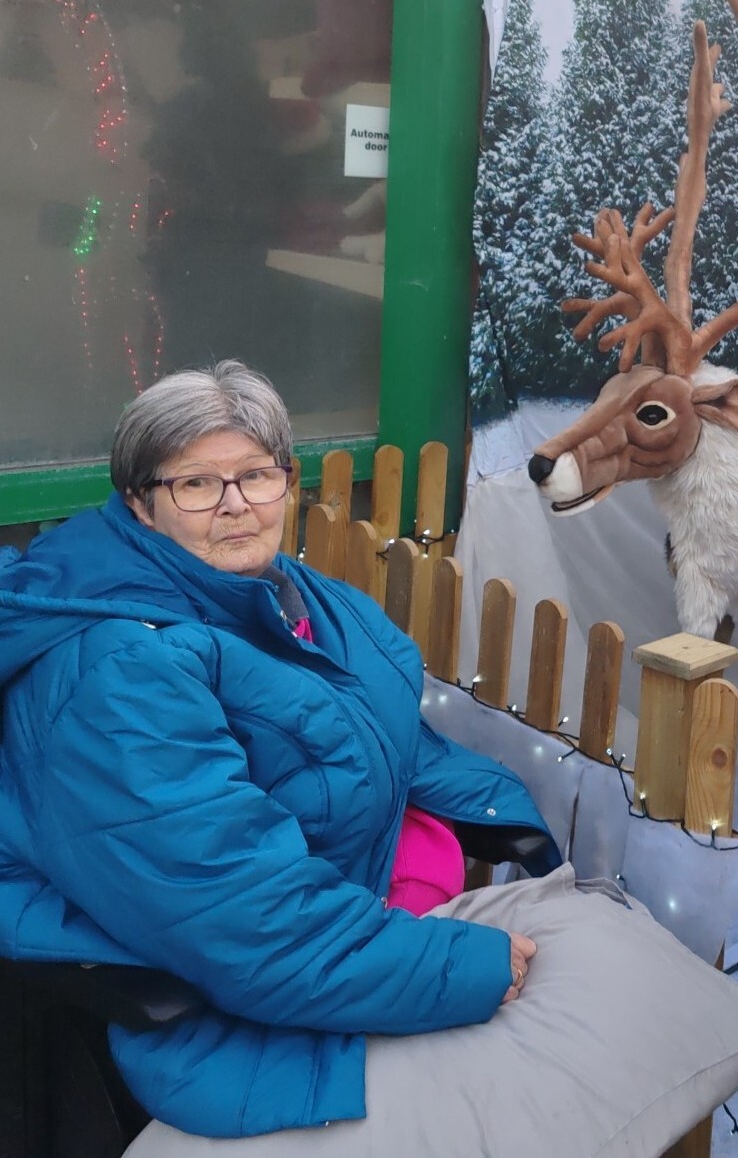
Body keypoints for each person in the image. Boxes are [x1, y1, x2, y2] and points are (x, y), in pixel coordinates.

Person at [0, 361, 555, 1139]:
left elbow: (381, 729)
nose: (236, 503)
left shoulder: (284, 594)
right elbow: (241, 919)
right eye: (196, 483)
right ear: (140, 503)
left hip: (346, 924)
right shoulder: (120, 666)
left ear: (287, 481)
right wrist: (460, 966)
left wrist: (506, 816)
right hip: (224, 998)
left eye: (256, 474)